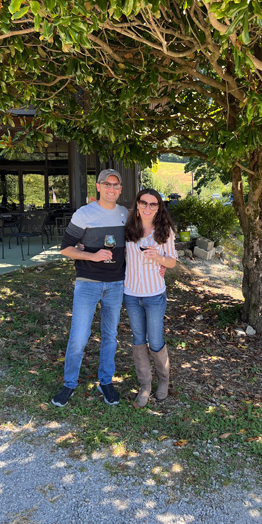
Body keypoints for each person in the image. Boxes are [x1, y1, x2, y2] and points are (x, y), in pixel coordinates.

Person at [51, 169, 127, 407]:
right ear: (98, 186)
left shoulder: (125, 214)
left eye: (116, 185)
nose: (111, 188)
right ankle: (69, 384)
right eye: (107, 184)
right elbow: (65, 249)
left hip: (116, 283)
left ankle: (105, 382)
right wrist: (91, 256)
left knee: (110, 336)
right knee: (79, 336)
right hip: (88, 282)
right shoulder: (84, 214)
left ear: (120, 189)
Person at [123, 188, 177, 407]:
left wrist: (159, 257)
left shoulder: (165, 232)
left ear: (158, 207)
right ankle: (145, 385)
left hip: (154, 295)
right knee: (138, 340)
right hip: (131, 294)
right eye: (143, 203)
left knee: (155, 341)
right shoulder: (127, 229)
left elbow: (172, 262)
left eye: (152, 204)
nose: (147, 207)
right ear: (137, 204)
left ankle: (163, 381)